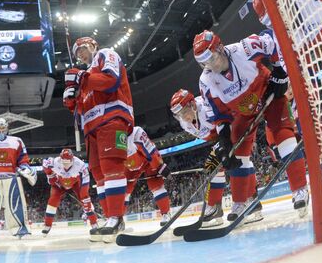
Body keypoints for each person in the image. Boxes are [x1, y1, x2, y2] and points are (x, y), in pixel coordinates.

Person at [193, 29, 309, 221]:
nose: (209, 65)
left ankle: (300, 189)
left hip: (268, 94)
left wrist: (279, 70)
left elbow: (272, 39)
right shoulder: (206, 81)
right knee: (236, 155)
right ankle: (242, 202)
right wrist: (224, 140)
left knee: (283, 136)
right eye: (203, 63)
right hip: (242, 112)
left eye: (211, 58)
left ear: (220, 48)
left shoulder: (243, 49)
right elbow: (219, 114)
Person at [63, 36, 133, 241]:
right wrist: (71, 98)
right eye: (77, 53)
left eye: (83, 49)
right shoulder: (84, 74)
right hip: (91, 127)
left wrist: (81, 79)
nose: (80, 54)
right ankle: (112, 219)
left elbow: (111, 81)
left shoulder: (106, 54)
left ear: (93, 45)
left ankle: (115, 218)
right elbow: (80, 107)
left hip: (111, 117)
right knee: (98, 173)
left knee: (111, 167)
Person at [169, 89, 229, 227]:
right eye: (179, 115)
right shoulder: (185, 124)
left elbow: (225, 121)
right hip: (218, 139)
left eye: (184, 112)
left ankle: (215, 208)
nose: (183, 118)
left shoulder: (206, 107)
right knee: (213, 168)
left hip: (228, 132)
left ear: (193, 105)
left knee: (213, 166)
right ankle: (215, 209)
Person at [41, 149, 98, 240]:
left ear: (73, 159)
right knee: (52, 201)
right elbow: (44, 163)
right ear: (60, 159)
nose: (66, 165)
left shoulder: (80, 165)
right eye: (64, 162)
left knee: (85, 200)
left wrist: (84, 195)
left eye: (68, 162)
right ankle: (47, 225)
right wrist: (50, 176)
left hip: (76, 183)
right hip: (59, 183)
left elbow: (86, 180)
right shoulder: (54, 161)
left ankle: (94, 223)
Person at [123, 126, 172, 227]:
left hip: (148, 161)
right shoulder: (110, 138)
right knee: (123, 191)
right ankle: (118, 219)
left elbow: (151, 152)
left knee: (156, 186)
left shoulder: (136, 132)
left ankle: (166, 213)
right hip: (131, 164)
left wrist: (160, 167)